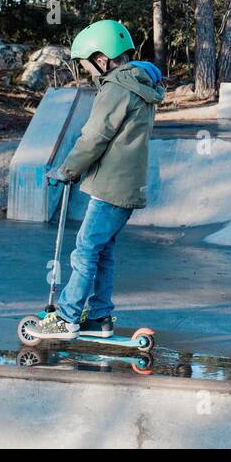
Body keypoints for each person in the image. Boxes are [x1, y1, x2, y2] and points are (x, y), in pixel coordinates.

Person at [25, 19, 165, 340]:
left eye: (87, 64)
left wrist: (66, 170)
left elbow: (94, 137)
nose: (88, 71)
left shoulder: (116, 88)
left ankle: (67, 317)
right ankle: (100, 317)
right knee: (103, 251)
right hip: (126, 185)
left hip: (110, 188)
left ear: (102, 59)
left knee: (85, 250)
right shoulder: (138, 85)